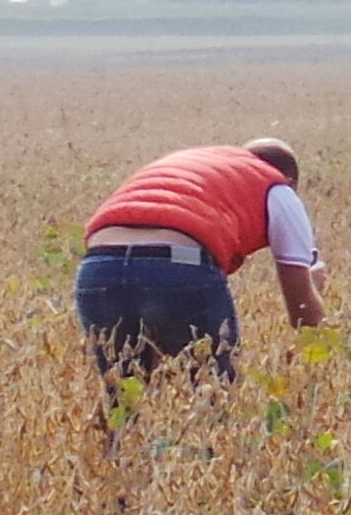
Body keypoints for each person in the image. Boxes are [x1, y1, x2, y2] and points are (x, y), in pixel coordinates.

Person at [73, 137, 328, 389]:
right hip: (177, 269)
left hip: (98, 267)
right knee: (213, 393)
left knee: (123, 398)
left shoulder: (197, 163)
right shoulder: (278, 188)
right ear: (292, 181)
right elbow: (304, 315)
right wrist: (314, 285)